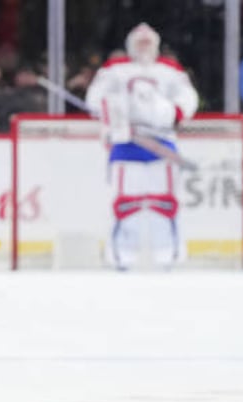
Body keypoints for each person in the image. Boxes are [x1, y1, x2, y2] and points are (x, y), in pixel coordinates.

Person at [84, 22, 199, 270]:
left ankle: (168, 254)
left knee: (164, 204)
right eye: (139, 43)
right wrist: (114, 113)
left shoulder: (170, 69)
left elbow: (188, 99)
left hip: (162, 144)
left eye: (148, 43)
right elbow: (94, 99)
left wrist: (171, 114)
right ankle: (121, 255)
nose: (144, 47)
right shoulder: (115, 69)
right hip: (126, 146)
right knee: (127, 204)